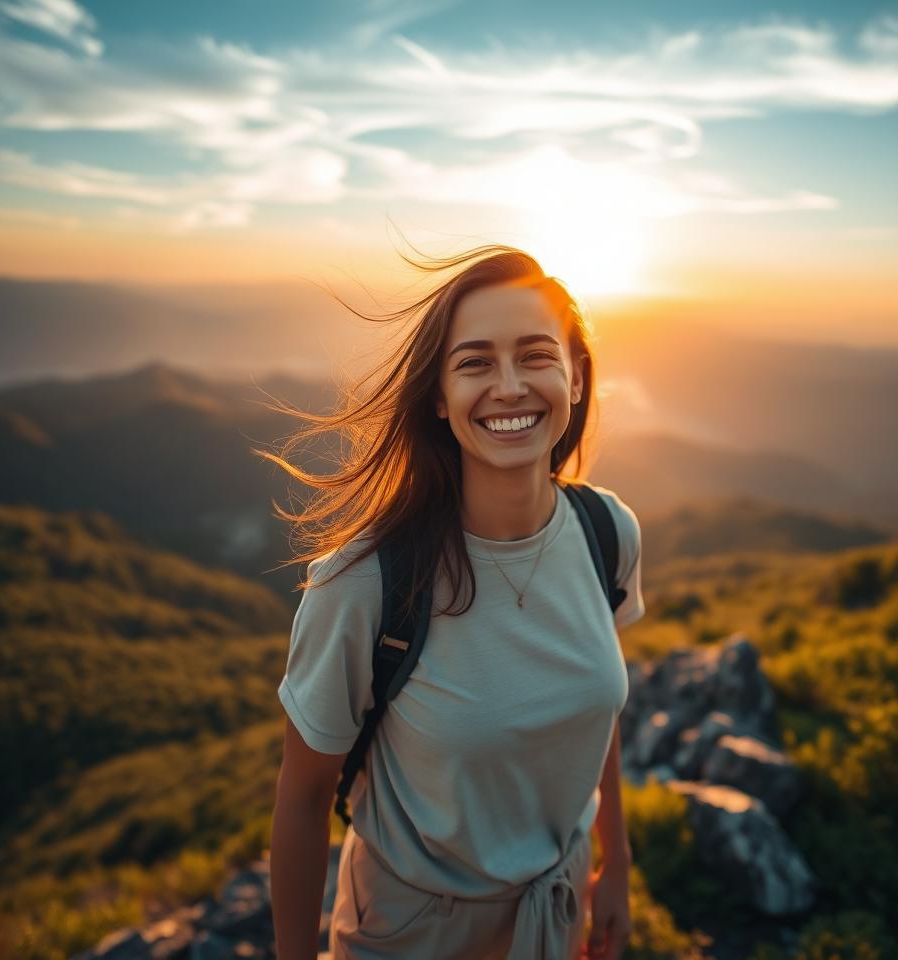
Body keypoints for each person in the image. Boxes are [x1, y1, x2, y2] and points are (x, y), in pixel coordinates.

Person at [264, 245, 645, 960]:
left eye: (536, 356)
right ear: (438, 395)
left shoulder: (607, 534)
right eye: (474, 363)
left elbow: (595, 717)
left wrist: (613, 862)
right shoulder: (363, 584)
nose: (509, 386)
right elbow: (303, 794)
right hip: (411, 934)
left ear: (576, 375)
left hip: (553, 918)